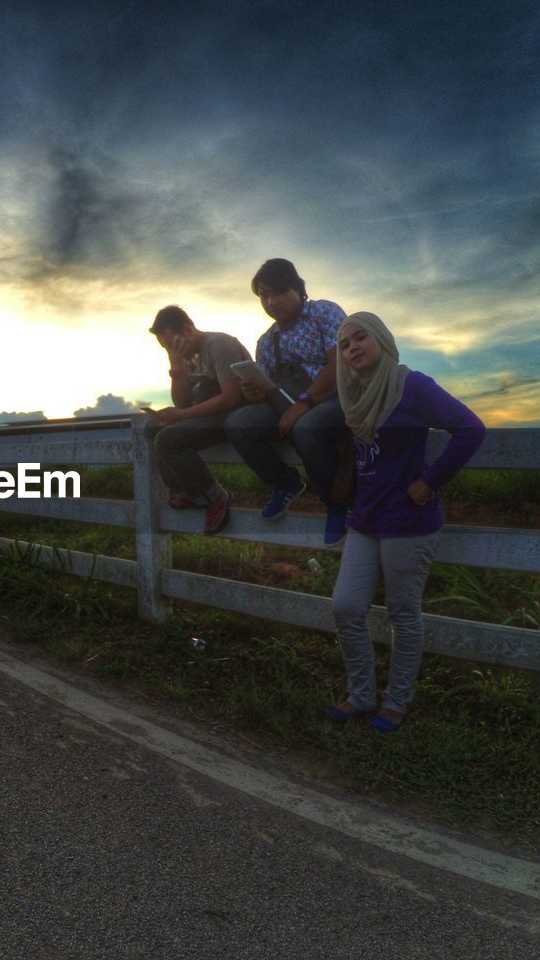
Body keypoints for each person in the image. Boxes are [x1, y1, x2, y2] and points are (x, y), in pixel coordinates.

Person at [328, 311, 485, 732]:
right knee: (346, 606)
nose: (352, 348)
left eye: (360, 337)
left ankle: (396, 701)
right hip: (366, 519)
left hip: (409, 521)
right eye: (344, 344)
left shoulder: (411, 386)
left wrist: (430, 481)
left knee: (402, 612)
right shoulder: (353, 393)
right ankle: (361, 695)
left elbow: (470, 428)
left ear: (382, 339)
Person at [224, 258, 350, 544]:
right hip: (289, 403)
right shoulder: (267, 341)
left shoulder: (325, 313)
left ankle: (338, 504)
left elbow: (338, 365)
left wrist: (304, 403)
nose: (271, 302)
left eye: (278, 292)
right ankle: (286, 484)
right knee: (237, 424)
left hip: (335, 397)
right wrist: (253, 394)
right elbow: (267, 387)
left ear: (297, 289)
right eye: (263, 296)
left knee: (306, 427)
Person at [145, 305, 252, 535]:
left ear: (187, 329)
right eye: (166, 347)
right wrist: (176, 368)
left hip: (234, 413)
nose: (171, 349)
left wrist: (181, 416)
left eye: (172, 344)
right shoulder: (186, 358)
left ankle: (215, 497)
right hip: (207, 413)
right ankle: (183, 490)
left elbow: (231, 398)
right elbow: (183, 402)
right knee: (152, 427)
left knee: (167, 440)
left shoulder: (218, 344)